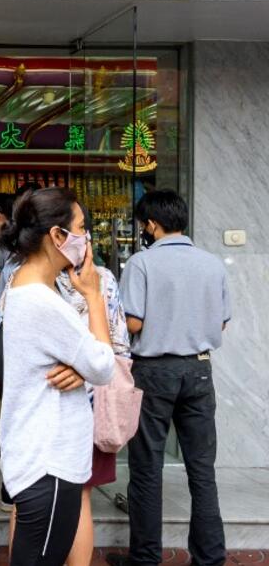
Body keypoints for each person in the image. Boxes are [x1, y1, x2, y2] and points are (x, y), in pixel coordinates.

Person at [107, 190, 229, 566]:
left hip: (155, 371)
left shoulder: (142, 263)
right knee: (202, 470)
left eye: (145, 223)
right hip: (199, 370)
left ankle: (145, 558)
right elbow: (223, 319)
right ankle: (209, 558)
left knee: (146, 468)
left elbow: (134, 322)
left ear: (152, 224)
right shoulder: (212, 263)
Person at [0, 188, 115, 565]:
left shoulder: (26, 287)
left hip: (38, 457)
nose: (87, 238)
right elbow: (103, 364)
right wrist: (95, 297)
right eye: (81, 228)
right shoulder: (42, 300)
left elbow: (85, 360)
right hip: (49, 463)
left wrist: (81, 366)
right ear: (57, 236)